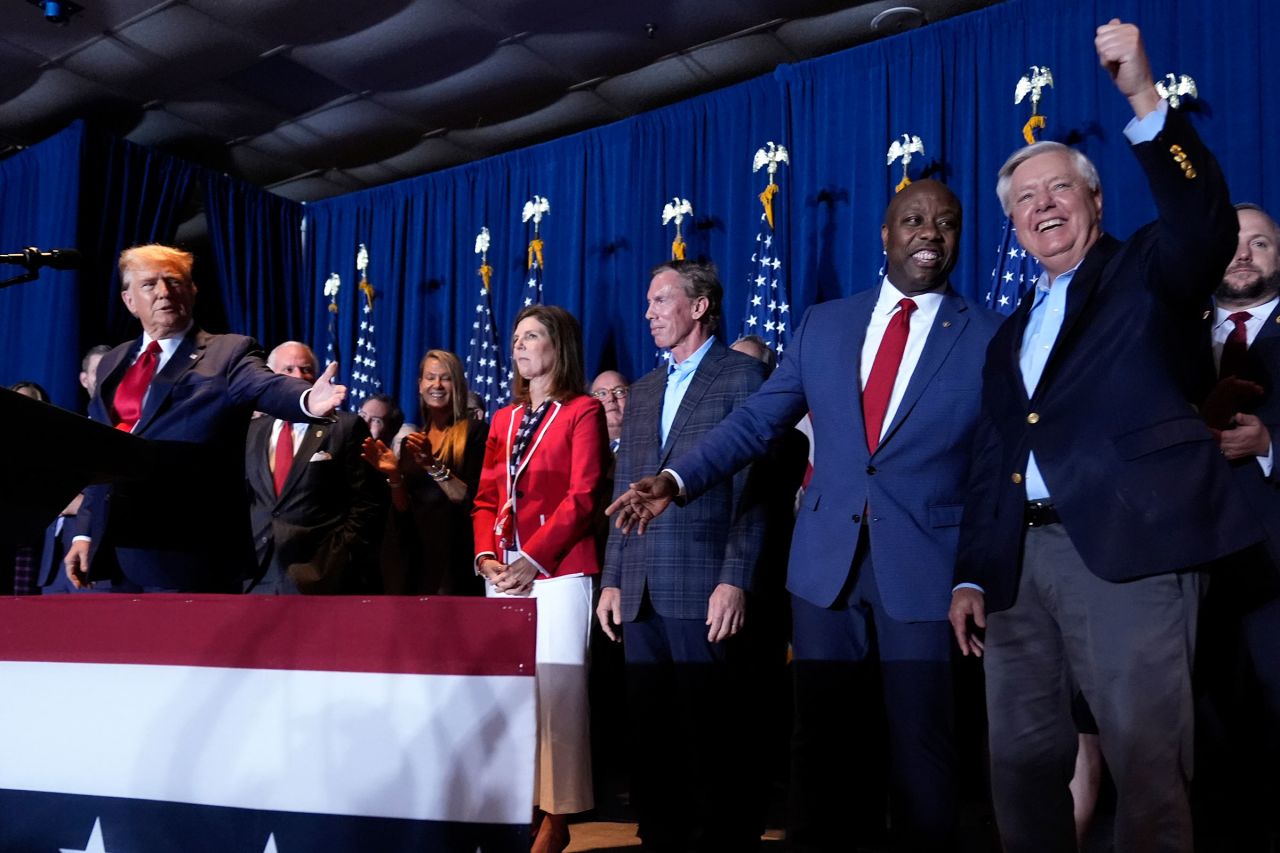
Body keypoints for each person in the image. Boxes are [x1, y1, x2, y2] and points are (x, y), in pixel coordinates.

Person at [607, 185, 1002, 851]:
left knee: (922, 742)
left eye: (946, 222)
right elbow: (757, 424)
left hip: (925, 569)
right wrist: (676, 480)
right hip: (824, 570)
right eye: (912, 219)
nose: (929, 232)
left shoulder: (988, 334)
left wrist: (977, 574)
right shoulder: (825, 324)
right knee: (819, 744)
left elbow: (994, 469)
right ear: (884, 236)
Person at [946, 22, 1256, 852]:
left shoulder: (1147, 271)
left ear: (1095, 201)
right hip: (1016, 570)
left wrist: (1142, 96)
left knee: (1147, 763)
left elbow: (1203, 222)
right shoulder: (1008, 335)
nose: (1042, 206)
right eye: (1025, 201)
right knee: (1018, 761)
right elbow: (992, 458)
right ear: (1012, 227)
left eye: (1059, 191)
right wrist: (973, 570)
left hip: (1128, 549)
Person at [598, 260, 770, 852]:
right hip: (642, 587)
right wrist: (614, 579)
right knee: (651, 735)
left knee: (712, 734)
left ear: (699, 307)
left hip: (705, 585)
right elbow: (629, 488)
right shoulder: (642, 392)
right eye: (647, 302)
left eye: (661, 300)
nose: (648, 313)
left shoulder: (741, 376)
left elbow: (755, 490)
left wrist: (735, 578)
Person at [64, 244, 347, 593]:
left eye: (174, 281)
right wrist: (84, 531)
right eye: (150, 284)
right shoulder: (113, 362)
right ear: (129, 300)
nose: (164, 292)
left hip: (189, 553)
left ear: (192, 291)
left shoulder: (228, 352)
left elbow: (265, 385)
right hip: (118, 552)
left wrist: (305, 400)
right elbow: (102, 449)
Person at [472, 304, 609, 853]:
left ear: (559, 347)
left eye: (532, 337)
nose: (520, 346)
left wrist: (534, 557)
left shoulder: (583, 410)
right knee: (509, 694)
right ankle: (516, 803)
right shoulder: (503, 419)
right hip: (501, 573)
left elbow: (584, 496)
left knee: (558, 693)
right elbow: (485, 497)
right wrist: (486, 557)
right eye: (517, 338)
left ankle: (557, 812)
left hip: (556, 571)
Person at [1195, 202, 1280, 849]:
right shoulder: (1174, 332)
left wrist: (1272, 443)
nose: (1244, 255)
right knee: (1204, 732)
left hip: (1273, 568)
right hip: (1190, 566)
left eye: (1261, 243)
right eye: (1232, 242)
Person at [244, 342, 387, 595]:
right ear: (269, 377)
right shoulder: (252, 431)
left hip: (321, 576)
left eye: (306, 369)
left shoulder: (344, 427)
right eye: (288, 369)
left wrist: (338, 558)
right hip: (257, 574)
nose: (298, 376)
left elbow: (368, 503)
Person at [378, 350, 488, 595]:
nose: (437, 385)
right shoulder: (411, 443)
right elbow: (403, 509)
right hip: (416, 562)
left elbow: (469, 497)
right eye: (430, 377)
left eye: (446, 378)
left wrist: (432, 465)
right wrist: (393, 475)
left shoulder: (476, 433)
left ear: (457, 385)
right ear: (419, 385)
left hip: (454, 562)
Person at [589, 370, 629, 454]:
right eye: (601, 394)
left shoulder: (650, 444)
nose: (611, 398)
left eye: (619, 391)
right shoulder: (582, 449)